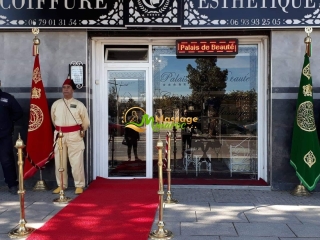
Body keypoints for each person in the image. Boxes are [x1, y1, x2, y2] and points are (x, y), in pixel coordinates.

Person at [51, 78, 90, 195]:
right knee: (59, 162)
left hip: (74, 135)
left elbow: (86, 122)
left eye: (68, 87)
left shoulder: (79, 105)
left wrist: (80, 131)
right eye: (64, 88)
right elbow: (53, 120)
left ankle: (79, 185)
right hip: (59, 135)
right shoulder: (56, 104)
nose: (65, 90)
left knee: (76, 162)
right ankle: (61, 185)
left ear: (73, 90)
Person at [0, 81, 23, 195]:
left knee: (7, 160)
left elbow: (18, 112)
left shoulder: (7, 98)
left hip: (4, 135)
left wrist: (9, 122)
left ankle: (12, 185)